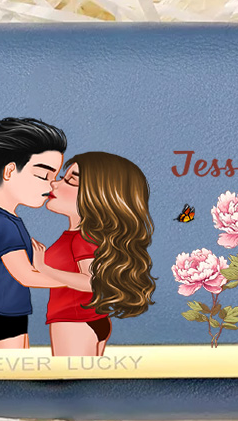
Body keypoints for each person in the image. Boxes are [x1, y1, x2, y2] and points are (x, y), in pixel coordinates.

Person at [37, 152, 156, 357]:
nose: (54, 184)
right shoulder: (81, 237)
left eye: (71, 181)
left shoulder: (82, 239)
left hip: (74, 322)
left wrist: (44, 269)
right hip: (86, 320)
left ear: (98, 195)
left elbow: (93, 282)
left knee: (71, 376)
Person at [0, 117, 67, 349]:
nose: (52, 185)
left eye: (55, 178)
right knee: (9, 371)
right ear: (10, 171)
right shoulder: (0, 223)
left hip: (4, 312)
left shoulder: (0, 218)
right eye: (44, 175)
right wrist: (78, 284)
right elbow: (26, 276)